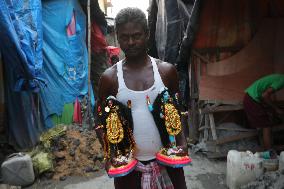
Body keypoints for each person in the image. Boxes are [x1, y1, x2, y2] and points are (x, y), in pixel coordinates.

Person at [96, 7, 187, 189]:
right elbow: (100, 122)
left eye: (136, 35)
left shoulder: (166, 72)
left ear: (146, 34)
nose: (131, 42)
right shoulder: (109, 79)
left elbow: (179, 111)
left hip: (168, 165)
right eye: (124, 37)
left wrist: (182, 143)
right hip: (128, 171)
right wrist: (109, 154)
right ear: (118, 37)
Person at [243, 74, 284, 150]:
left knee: (266, 123)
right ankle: (269, 152)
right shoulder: (282, 81)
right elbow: (265, 95)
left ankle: (267, 149)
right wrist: (276, 108)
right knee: (266, 126)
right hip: (251, 99)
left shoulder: (280, 77)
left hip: (252, 97)